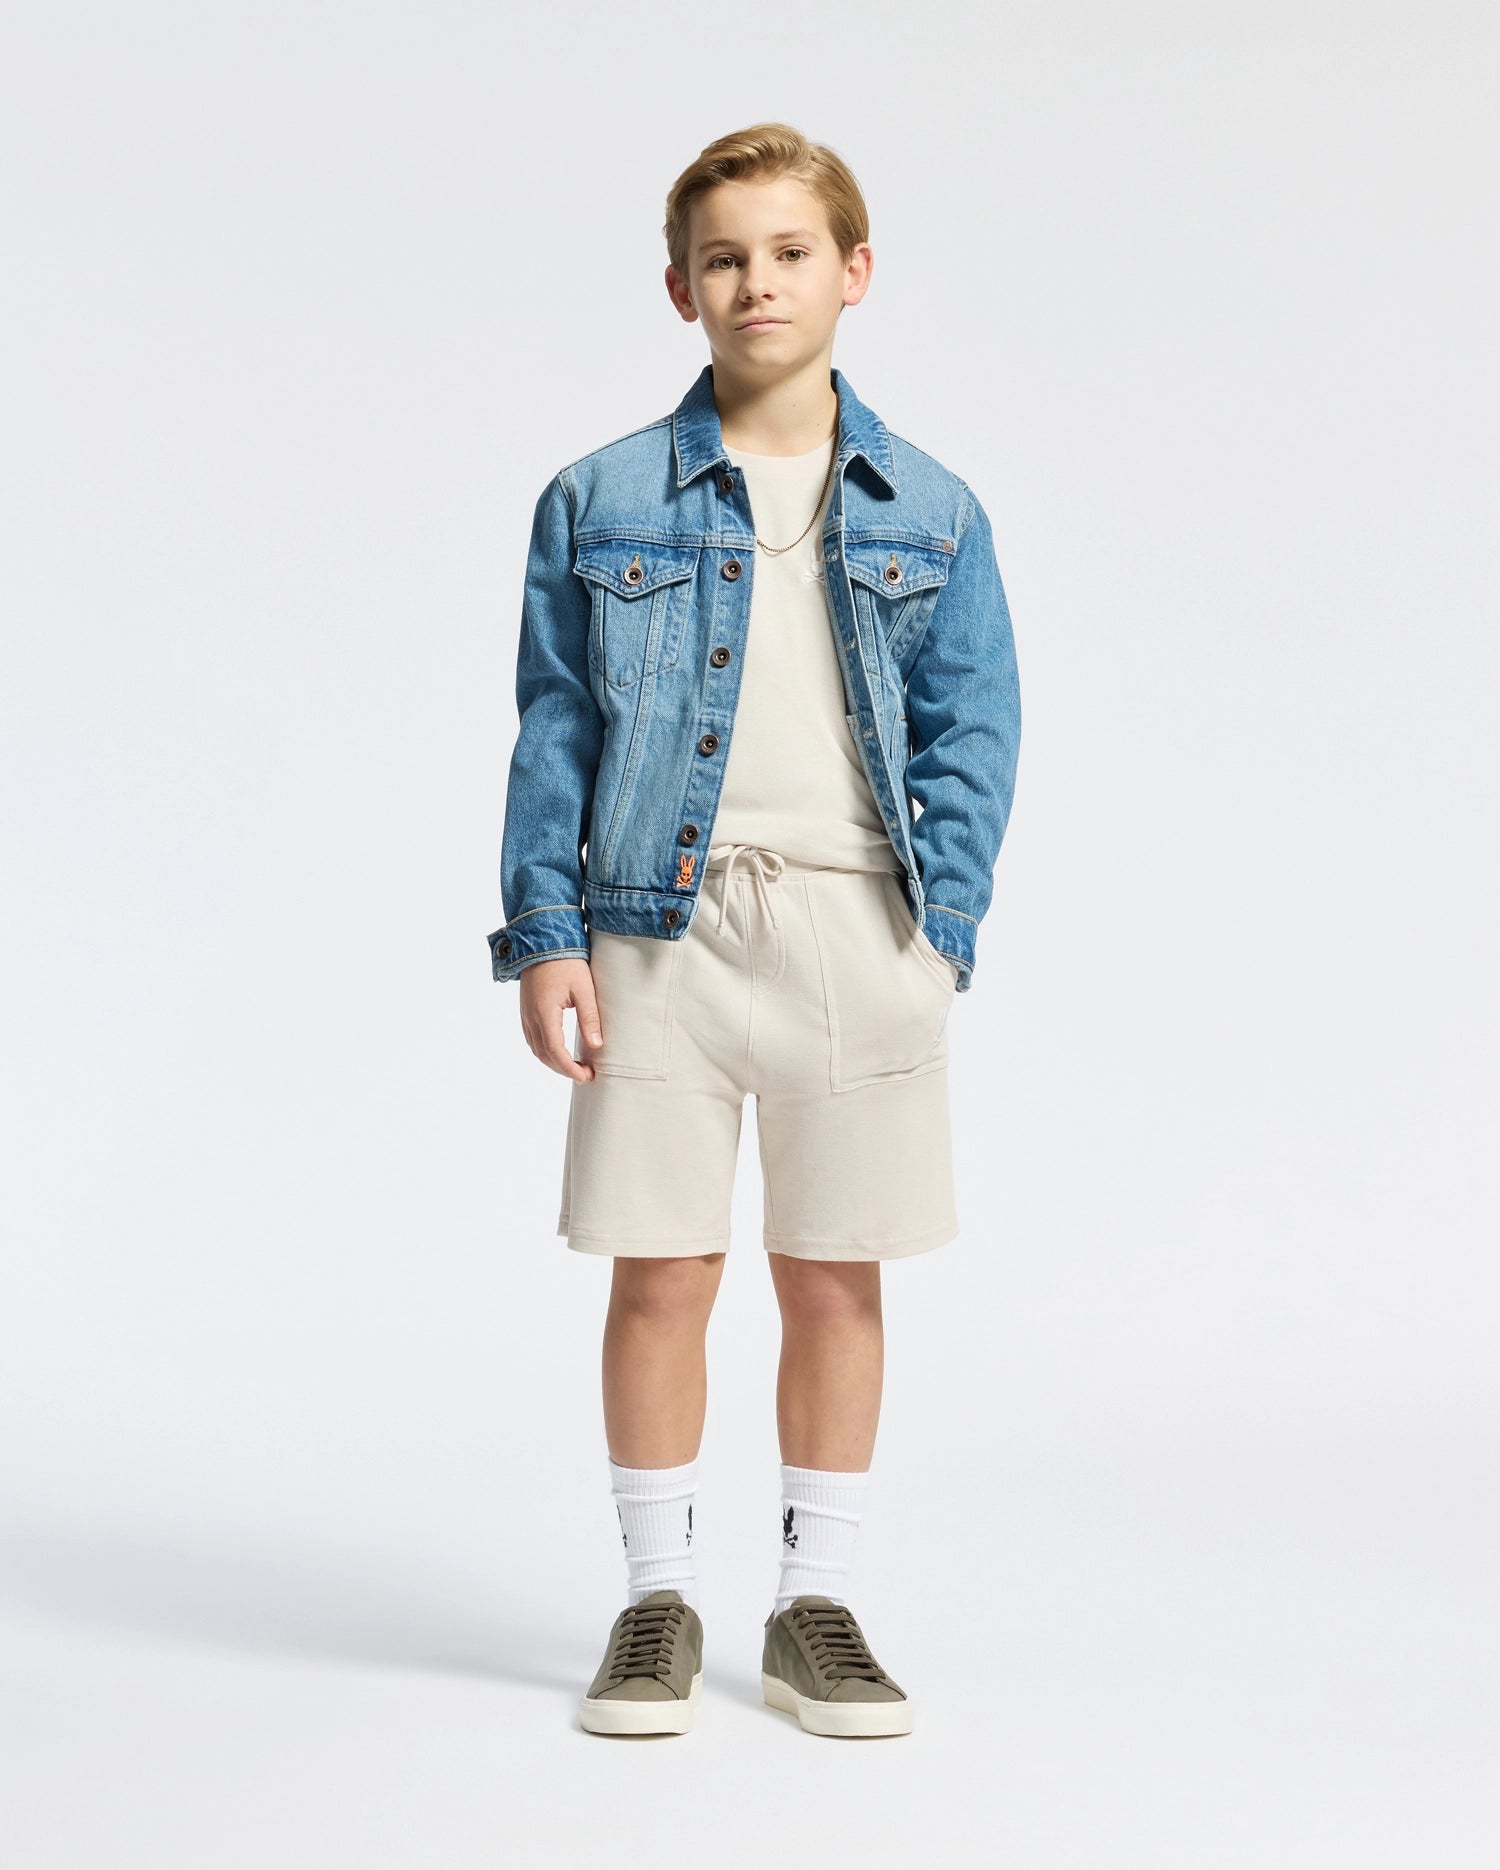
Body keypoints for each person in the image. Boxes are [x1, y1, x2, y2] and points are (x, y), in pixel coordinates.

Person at [486, 122, 1022, 1738]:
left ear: (853, 274)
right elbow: (556, 725)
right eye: (725, 257)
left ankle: (818, 1606)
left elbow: (972, 727)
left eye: (790, 252)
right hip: (655, 932)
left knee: (835, 1276)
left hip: (859, 930)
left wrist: (946, 934)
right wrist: (547, 929)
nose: (757, 282)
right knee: (660, 1271)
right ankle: (655, 1599)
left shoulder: (930, 504)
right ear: (680, 289)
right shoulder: (598, 497)